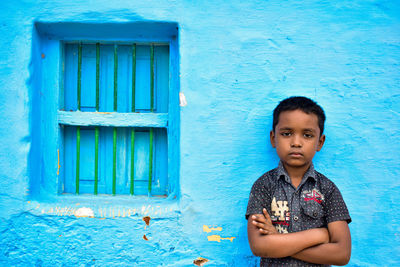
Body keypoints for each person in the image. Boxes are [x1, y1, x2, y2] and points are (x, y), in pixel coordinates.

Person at [246, 96, 351, 266]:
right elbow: (259, 246)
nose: (296, 143)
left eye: (307, 135)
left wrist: (279, 241)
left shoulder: (327, 189)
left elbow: (341, 253)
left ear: (320, 142)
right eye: (287, 134)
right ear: (273, 138)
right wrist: (319, 235)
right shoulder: (264, 185)